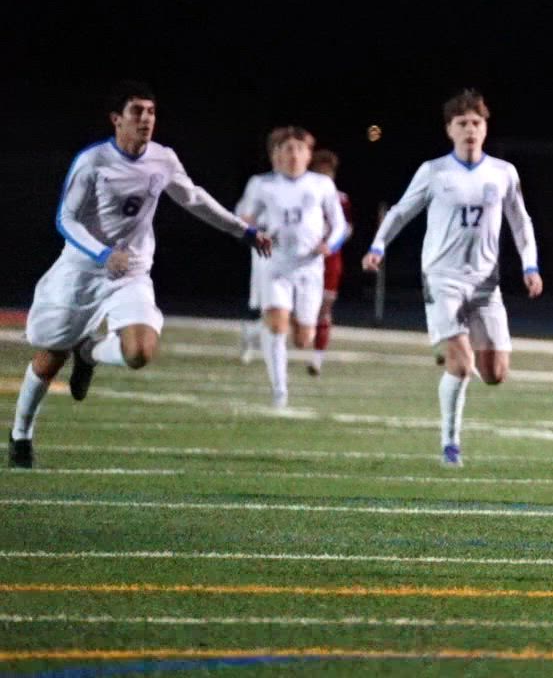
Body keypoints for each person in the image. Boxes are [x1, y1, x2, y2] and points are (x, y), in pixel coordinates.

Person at [11, 82, 271, 469]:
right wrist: (101, 253)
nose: (146, 119)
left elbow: (195, 198)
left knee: (140, 351)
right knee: (50, 358)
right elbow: (64, 219)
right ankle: (21, 436)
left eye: (151, 111)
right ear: (117, 119)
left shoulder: (163, 160)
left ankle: (90, 353)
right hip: (81, 272)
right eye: (137, 111)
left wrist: (244, 231)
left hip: (130, 273)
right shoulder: (93, 161)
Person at [362, 90, 541, 466]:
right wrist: (378, 246)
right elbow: (400, 212)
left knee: (495, 374)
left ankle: (451, 348)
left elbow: (521, 222)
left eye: (476, 123)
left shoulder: (503, 173)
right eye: (462, 124)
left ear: (485, 127)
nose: (470, 130)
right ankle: (450, 443)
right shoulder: (434, 171)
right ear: (449, 130)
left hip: (485, 282)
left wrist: (530, 266)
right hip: (442, 277)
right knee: (461, 365)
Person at [235, 127, 348, 407]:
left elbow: (339, 225)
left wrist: (329, 245)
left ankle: (254, 332)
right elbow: (242, 217)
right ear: (276, 154)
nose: (294, 154)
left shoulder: (321, 185)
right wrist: (253, 230)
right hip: (275, 263)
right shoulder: (262, 184)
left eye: (300, 149)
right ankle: (279, 391)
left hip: (310, 267)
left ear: (309, 154)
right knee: (277, 324)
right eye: (288, 148)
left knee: (303, 339)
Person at [308, 148, 352, 376]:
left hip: (330, 260)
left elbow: (346, 229)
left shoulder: (340, 199)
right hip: (303, 259)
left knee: (324, 308)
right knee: (296, 312)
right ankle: (254, 330)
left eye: (329, 174)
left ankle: (317, 360)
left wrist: (330, 245)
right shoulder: (303, 195)